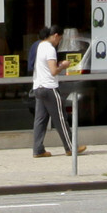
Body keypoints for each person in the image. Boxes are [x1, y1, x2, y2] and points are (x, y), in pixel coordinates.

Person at [29, 23, 83, 158]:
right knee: (60, 118)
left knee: (40, 121)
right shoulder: (50, 49)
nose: (59, 42)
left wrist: (56, 66)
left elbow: (46, 67)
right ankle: (71, 147)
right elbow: (53, 71)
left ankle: (38, 149)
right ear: (55, 36)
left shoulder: (39, 46)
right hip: (49, 88)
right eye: (60, 39)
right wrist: (63, 65)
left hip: (38, 87)